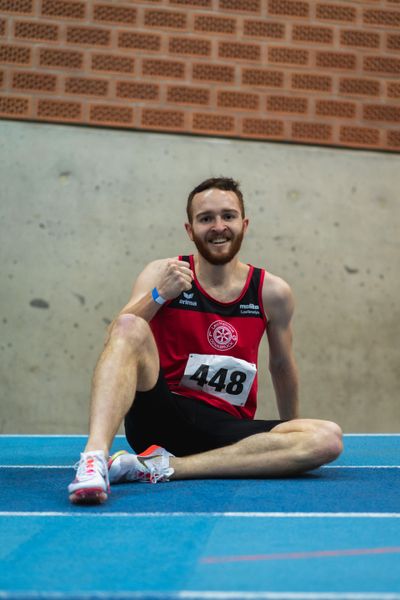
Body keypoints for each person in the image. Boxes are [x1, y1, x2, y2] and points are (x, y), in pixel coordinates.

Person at [68, 177, 343, 504]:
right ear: (190, 229)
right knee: (131, 323)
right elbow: (118, 334)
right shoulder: (163, 272)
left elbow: (282, 366)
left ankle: (165, 468)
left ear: (244, 224)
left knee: (327, 439)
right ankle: (94, 458)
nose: (218, 226)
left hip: (225, 430)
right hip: (160, 414)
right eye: (206, 218)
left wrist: (291, 429)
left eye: (228, 216)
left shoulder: (272, 292)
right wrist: (160, 295)